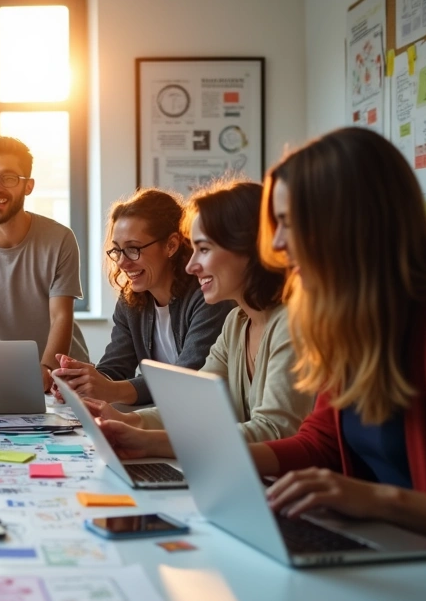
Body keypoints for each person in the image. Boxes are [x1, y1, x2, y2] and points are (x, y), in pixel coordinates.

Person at [249, 128, 426, 599]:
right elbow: (321, 443)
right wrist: (207, 456)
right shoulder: (355, 318)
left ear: (348, 224)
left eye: (289, 223)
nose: (277, 244)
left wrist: (377, 500)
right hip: (396, 564)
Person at [87, 180, 314, 459]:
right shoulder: (236, 323)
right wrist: (127, 421)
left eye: (204, 249)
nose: (191, 265)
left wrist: (149, 441)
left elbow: (274, 431)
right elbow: (193, 404)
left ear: (251, 249)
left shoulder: (293, 324)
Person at [53, 188, 233, 405]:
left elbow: (186, 377)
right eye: (117, 250)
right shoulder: (131, 301)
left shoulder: (208, 296)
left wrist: (112, 390)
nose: (122, 262)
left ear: (171, 245)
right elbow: (115, 368)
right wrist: (82, 382)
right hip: (162, 415)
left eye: (133, 249)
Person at [0, 134, 89, 392]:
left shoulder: (60, 239)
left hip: (66, 376)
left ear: (28, 186)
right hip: (7, 375)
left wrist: (47, 370)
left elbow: (61, 315)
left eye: (9, 178)